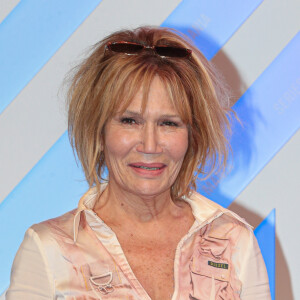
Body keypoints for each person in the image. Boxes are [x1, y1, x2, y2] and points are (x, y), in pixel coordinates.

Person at [6, 26, 271, 300]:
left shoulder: (233, 243)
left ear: (193, 135)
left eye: (169, 123)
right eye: (130, 121)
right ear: (99, 129)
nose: (150, 145)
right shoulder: (49, 249)